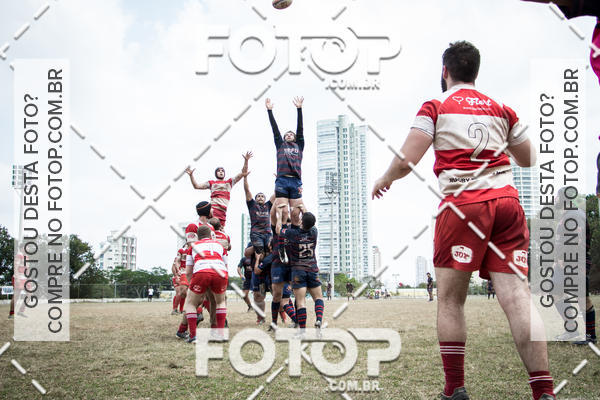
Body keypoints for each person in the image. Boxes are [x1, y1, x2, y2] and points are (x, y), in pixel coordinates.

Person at [372, 41, 555, 400]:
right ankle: (544, 390)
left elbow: (407, 160)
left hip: (462, 205)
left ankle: (455, 387)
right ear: (476, 71)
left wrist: (385, 178)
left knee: (451, 300)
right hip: (507, 205)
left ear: (445, 71)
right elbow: (529, 158)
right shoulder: (502, 108)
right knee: (518, 297)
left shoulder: (436, 106)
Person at [277, 208, 324, 333]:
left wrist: (280, 217)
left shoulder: (293, 233)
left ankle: (302, 331)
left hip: (298, 270)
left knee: (300, 302)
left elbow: (279, 230)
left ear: (302, 221)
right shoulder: (314, 232)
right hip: (312, 269)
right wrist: (303, 209)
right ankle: (319, 319)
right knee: (318, 298)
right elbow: (309, 220)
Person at [266, 96, 305, 233]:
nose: (288, 135)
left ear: (295, 138)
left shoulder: (299, 145)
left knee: (295, 213)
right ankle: (280, 236)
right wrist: (269, 111)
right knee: (282, 211)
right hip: (282, 180)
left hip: (295, 181)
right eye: (286, 134)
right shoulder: (280, 145)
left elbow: (300, 128)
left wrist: (299, 109)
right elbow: (274, 129)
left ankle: (295, 234)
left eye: (291, 134)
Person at [183, 225, 228, 343]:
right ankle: (220, 334)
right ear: (211, 235)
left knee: (191, 304)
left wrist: (191, 285)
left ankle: (193, 336)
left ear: (197, 236)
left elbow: (188, 271)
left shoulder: (193, 246)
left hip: (201, 271)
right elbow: (226, 265)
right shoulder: (219, 245)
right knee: (220, 302)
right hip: (220, 271)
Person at [185, 154, 250, 228]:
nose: (221, 172)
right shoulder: (211, 183)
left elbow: (243, 173)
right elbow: (196, 186)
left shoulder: (229, 182)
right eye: (219, 171)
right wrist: (191, 176)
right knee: (210, 229)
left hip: (223, 212)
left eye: (222, 171)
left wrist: (246, 161)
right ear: (216, 173)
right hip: (213, 210)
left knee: (221, 230)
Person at [242, 151, 276, 274]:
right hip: (256, 234)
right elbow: (247, 190)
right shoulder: (252, 205)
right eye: (258, 196)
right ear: (255, 199)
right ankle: (257, 268)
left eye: (262, 196)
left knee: (271, 249)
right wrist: (245, 177)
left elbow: (276, 193)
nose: (261, 197)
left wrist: (278, 181)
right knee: (260, 252)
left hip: (267, 232)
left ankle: (265, 270)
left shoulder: (268, 205)